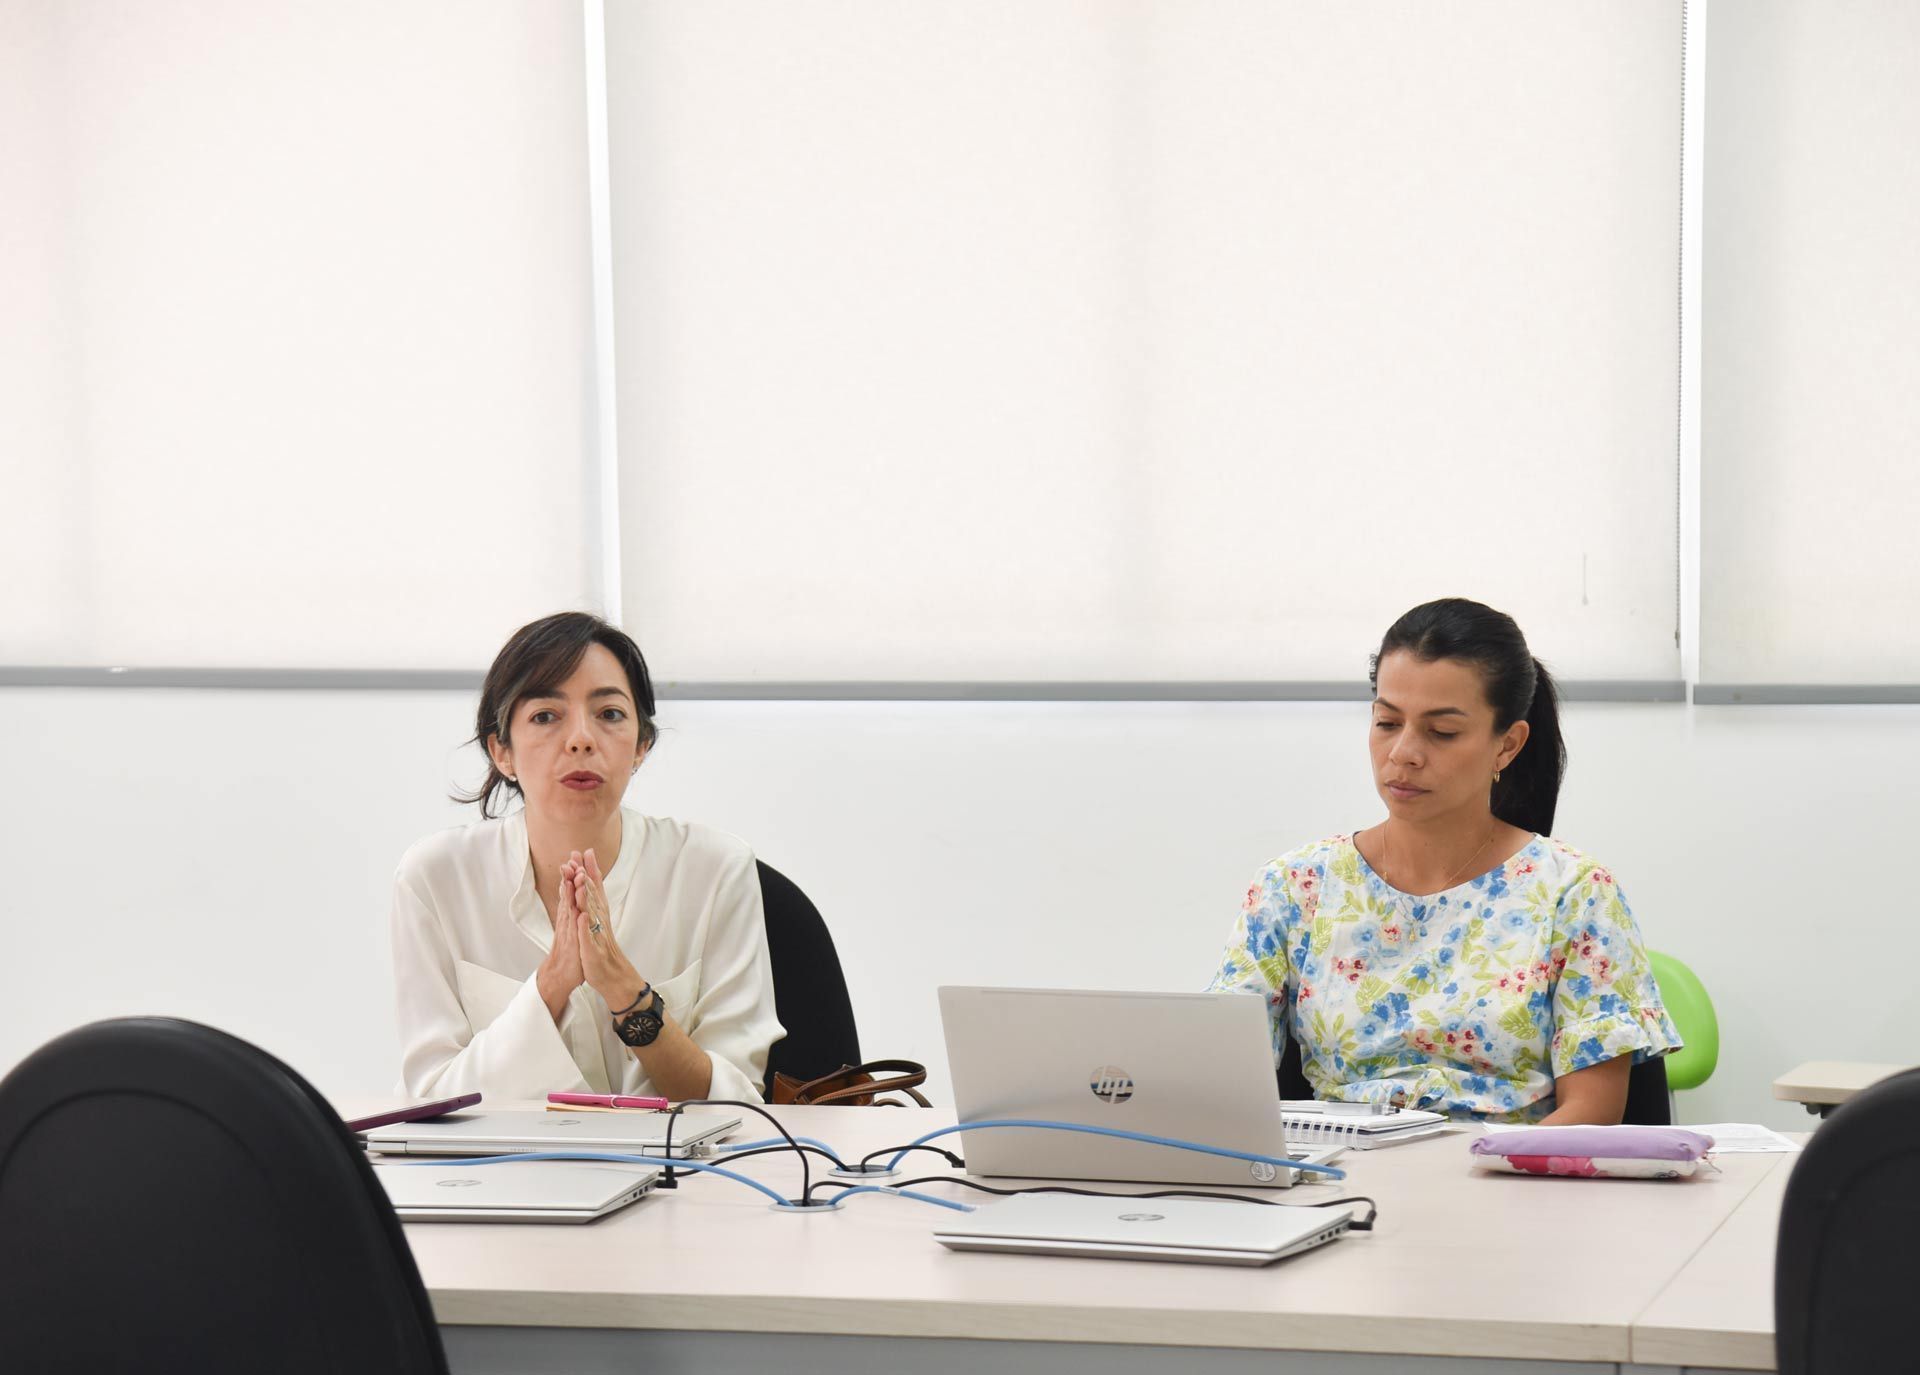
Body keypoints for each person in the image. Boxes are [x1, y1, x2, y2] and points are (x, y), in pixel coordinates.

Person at [1209, 598, 1680, 1124]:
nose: (1404, 752)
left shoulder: (1575, 893)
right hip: (1341, 1183)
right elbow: (1218, 1078)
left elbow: (1593, 1112)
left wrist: (1478, 1179)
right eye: (1388, 722)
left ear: (1507, 745)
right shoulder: (1293, 888)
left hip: (1511, 1185)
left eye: (1442, 732)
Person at [391, 611, 783, 1102]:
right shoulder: (436, 879)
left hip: (680, 1176)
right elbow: (429, 1098)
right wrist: (551, 985)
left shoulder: (715, 870)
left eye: (610, 714)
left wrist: (624, 991)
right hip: (508, 1175)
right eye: (545, 716)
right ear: (501, 752)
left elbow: (739, 1102)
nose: (581, 738)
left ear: (642, 745)